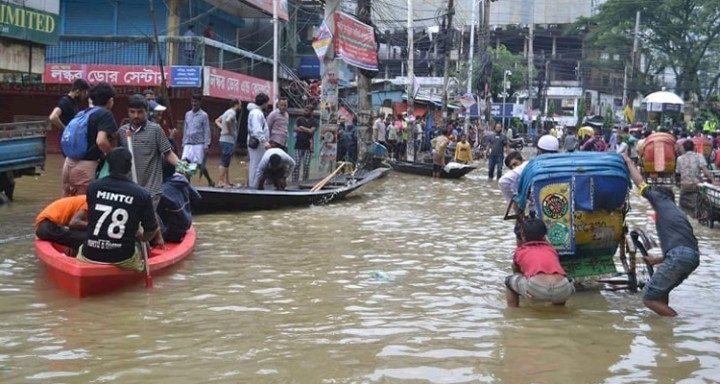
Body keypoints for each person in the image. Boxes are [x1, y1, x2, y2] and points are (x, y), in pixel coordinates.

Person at [622, 151, 700, 316]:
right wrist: (657, 259)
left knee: (648, 298)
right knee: (661, 293)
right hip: (692, 257)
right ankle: (665, 335)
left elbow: (640, 183)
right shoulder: (678, 213)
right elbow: (685, 248)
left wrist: (628, 162)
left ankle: (674, 321)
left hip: (680, 256)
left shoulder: (660, 199)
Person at [77, 147, 159, 272]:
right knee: (143, 247)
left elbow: (92, 216)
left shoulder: (93, 187)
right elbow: (151, 230)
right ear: (129, 166)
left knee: (81, 248)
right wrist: (142, 237)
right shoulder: (141, 194)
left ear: (108, 165)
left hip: (90, 254)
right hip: (122, 257)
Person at [505, 212, 575, 308]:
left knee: (509, 281)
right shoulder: (551, 249)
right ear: (544, 235)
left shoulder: (520, 251)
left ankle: (513, 312)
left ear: (522, 235)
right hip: (563, 288)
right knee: (563, 284)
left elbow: (517, 271)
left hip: (536, 288)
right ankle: (559, 308)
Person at [61, 82, 118, 197]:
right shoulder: (105, 114)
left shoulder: (83, 113)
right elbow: (101, 141)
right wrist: (113, 157)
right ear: (110, 100)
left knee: (66, 204)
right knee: (84, 205)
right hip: (86, 166)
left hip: (68, 163)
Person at [157, 163, 201, 242]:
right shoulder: (182, 179)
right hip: (187, 222)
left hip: (173, 231)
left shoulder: (161, 191)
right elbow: (197, 198)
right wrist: (187, 212)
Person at [676, 140, 716, 212]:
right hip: (696, 185)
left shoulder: (679, 159)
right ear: (694, 147)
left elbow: (678, 172)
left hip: (685, 185)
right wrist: (713, 180)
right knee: (701, 201)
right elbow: (705, 170)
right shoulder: (699, 156)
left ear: (684, 148)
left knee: (681, 206)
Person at [182, 94, 213, 186]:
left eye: (196, 101)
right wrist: (183, 142)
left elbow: (207, 130)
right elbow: (185, 128)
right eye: (192, 101)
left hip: (199, 144)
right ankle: (188, 185)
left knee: (198, 165)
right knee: (184, 163)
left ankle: (210, 180)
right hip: (188, 143)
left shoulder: (204, 115)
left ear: (200, 102)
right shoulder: (187, 114)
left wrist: (206, 145)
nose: (194, 103)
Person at [214, 99, 241, 187]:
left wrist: (223, 128)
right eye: (240, 104)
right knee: (224, 161)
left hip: (223, 139)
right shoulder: (232, 113)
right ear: (236, 104)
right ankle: (221, 181)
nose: (240, 106)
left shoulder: (226, 112)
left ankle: (227, 181)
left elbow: (217, 120)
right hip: (228, 140)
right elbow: (228, 121)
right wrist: (229, 130)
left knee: (226, 161)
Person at [247, 93, 271, 188]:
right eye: (267, 103)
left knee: (257, 164)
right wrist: (264, 141)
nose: (267, 105)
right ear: (264, 103)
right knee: (256, 165)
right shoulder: (257, 113)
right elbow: (257, 130)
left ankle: (255, 184)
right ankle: (254, 186)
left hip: (258, 143)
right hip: (258, 143)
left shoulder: (256, 112)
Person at [293, 105, 316, 182]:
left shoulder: (313, 121)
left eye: (307, 110)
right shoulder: (299, 119)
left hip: (308, 146)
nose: (305, 112)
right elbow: (295, 128)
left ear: (311, 112)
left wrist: (302, 128)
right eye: (304, 110)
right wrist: (307, 130)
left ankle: (305, 182)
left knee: (306, 166)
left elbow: (311, 131)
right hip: (298, 145)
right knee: (296, 164)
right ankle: (294, 181)